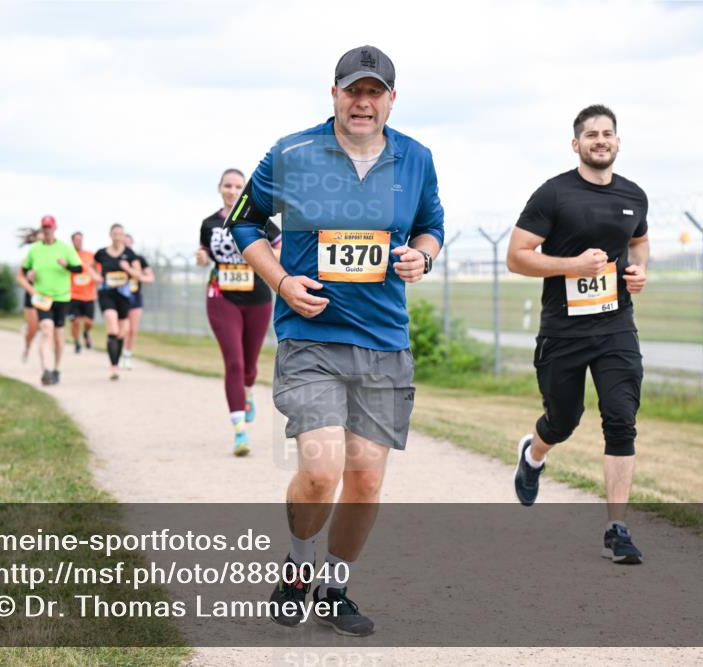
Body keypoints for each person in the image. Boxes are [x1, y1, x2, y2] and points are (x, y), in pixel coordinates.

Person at [228, 46, 443, 636]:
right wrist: (281, 280)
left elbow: (432, 227)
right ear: (335, 94)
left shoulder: (416, 159)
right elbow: (244, 220)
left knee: (367, 478)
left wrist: (421, 257)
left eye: (375, 92)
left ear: (392, 100)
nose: (363, 102)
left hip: (383, 341)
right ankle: (298, 572)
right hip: (311, 337)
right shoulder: (292, 152)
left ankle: (335, 589)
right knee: (322, 471)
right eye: (354, 91)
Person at [506, 104, 649, 565]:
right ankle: (534, 454)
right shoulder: (554, 195)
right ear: (577, 144)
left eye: (608, 133)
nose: (601, 140)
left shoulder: (634, 195)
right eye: (592, 135)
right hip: (563, 331)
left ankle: (616, 528)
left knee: (621, 418)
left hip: (615, 326)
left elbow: (639, 240)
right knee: (563, 420)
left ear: (618, 142)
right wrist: (572, 265)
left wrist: (639, 270)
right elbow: (517, 256)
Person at [197, 168, 282, 456]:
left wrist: (275, 257)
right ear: (219, 188)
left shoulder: (259, 220)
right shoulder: (209, 224)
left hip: (257, 296)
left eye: (237, 186)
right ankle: (239, 432)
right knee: (233, 361)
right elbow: (204, 254)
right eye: (228, 185)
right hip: (221, 296)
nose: (232, 190)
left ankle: (248, 391)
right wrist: (200, 257)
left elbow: (280, 250)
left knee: (250, 366)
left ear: (244, 189)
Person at [18, 215, 83, 385]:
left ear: (55, 228)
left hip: (62, 297)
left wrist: (66, 265)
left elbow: (78, 268)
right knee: (46, 329)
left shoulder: (66, 248)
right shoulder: (34, 250)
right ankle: (45, 370)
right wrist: (29, 275)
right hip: (42, 297)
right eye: (44, 227)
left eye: (49, 227)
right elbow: (24, 271)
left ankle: (57, 368)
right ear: (42, 229)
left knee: (58, 335)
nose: (47, 230)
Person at [94, 224, 141, 380]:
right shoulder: (101, 253)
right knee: (112, 328)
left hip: (123, 295)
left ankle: (117, 359)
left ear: (123, 236)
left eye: (120, 234)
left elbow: (138, 274)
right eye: (114, 233)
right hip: (106, 293)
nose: (117, 236)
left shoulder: (129, 254)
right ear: (110, 235)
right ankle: (114, 367)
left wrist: (127, 269)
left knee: (123, 331)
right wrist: (96, 277)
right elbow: (90, 267)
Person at [120, 233, 154, 369]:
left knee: (132, 329)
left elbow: (150, 278)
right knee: (122, 329)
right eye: (124, 244)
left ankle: (127, 355)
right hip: (119, 297)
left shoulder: (139, 260)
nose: (127, 246)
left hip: (134, 297)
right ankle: (117, 354)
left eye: (129, 243)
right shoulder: (117, 259)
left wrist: (133, 272)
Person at [69, 231, 100, 353]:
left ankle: (86, 333)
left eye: (80, 239)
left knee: (89, 322)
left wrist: (97, 284)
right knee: (75, 321)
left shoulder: (90, 255)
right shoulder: (69, 255)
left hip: (89, 295)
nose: (79, 241)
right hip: (73, 295)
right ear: (72, 241)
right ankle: (76, 342)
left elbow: (98, 272)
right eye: (76, 239)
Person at [17, 228, 43, 363]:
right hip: (32, 295)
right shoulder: (28, 258)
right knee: (32, 329)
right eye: (37, 241)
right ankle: (27, 348)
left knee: (46, 327)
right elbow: (19, 278)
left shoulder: (53, 256)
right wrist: (30, 287)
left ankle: (45, 359)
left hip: (49, 295)